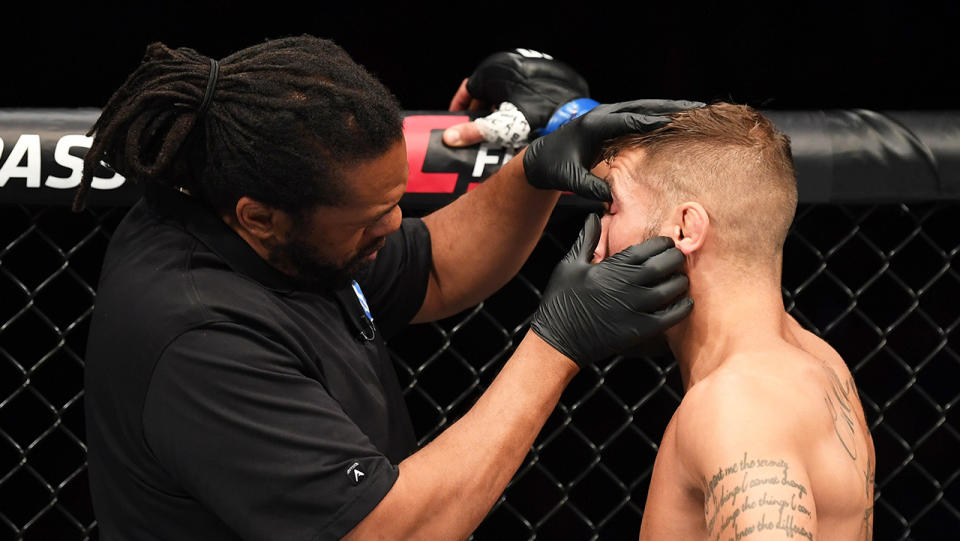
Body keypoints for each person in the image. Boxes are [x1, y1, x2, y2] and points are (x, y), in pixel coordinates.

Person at [79, 37, 698, 540]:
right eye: (369, 218)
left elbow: (434, 267)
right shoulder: (200, 339)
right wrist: (558, 341)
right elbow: (389, 533)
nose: (395, 225)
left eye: (396, 202)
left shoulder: (278, 234)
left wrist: (537, 170)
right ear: (258, 216)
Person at [589, 103, 876, 540]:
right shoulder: (820, 360)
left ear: (685, 228)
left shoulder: (736, 404)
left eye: (611, 209)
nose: (594, 248)